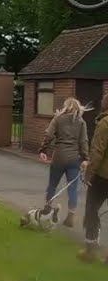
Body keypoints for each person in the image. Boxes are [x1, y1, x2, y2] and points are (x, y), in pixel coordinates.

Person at [39, 97, 89, 227]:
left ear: (66, 107)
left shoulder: (58, 119)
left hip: (59, 157)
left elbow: (48, 134)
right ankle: (71, 215)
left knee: (52, 184)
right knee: (73, 188)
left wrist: (43, 149)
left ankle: (47, 208)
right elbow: (83, 141)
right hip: (74, 159)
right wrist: (85, 158)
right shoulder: (81, 122)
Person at [82, 96, 108, 263]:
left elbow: (97, 151)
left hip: (103, 176)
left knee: (92, 209)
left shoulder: (104, 123)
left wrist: (88, 174)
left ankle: (90, 250)